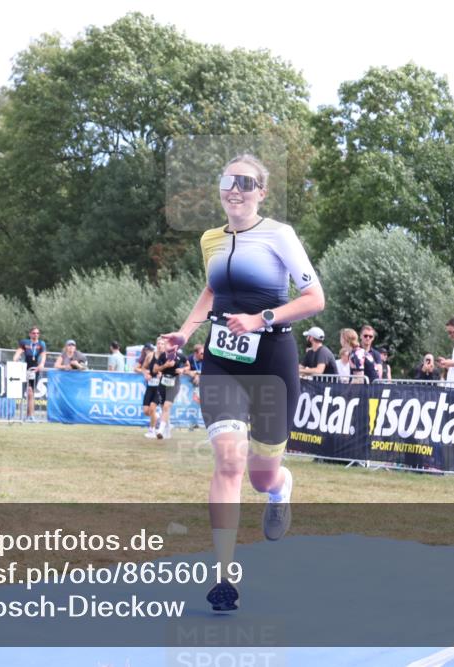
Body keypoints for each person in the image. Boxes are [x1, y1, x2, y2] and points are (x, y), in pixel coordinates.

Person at [163, 154, 325, 612]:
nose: (235, 189)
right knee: (229, 461)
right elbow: (213, 290)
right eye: (227, 180)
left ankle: (280, 487)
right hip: (223, 360)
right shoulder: (210, 239)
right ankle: (223, 575)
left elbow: (315, 298)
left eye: (245, 182)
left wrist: (260, 318)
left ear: (261, 192)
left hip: (272, 359)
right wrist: (185, 331)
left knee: (260, 475)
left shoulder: (279, 235)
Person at [152, 336, 187, 439]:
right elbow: (155, 369)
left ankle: (160, 431)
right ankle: (167, 428)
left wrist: (182, 370)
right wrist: (165, 366)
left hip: (175, 382)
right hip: (163, 382)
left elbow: (188, 366)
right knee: (163, 407)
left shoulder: (181, 356)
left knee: (166, 406)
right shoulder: (163, 356)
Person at [13, 326, 47, 421]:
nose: (36, 335)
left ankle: (30, 416)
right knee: (25, 392)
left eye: (37, 333)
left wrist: (41, 364)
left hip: (34, 370)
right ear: (30, 334)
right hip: (23, 369)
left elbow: (43, 355)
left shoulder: (41, 343)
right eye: (34, 333)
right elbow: (18, 352)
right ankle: (26, 415)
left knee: (30, 392)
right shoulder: (24, 342)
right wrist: (15, 359)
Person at [137, 343, 162, 438]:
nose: (160, 345)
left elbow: (170, 370)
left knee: (152, 408)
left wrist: (162, 374)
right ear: (156, 345)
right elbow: (143, 368)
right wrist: (146, 374)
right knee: (146, 411)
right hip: (150, 386)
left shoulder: (166, 356)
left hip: (160, 387)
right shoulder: (150, 356)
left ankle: (152, 430)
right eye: (159, 343)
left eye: (162, 344)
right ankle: (157, 416)